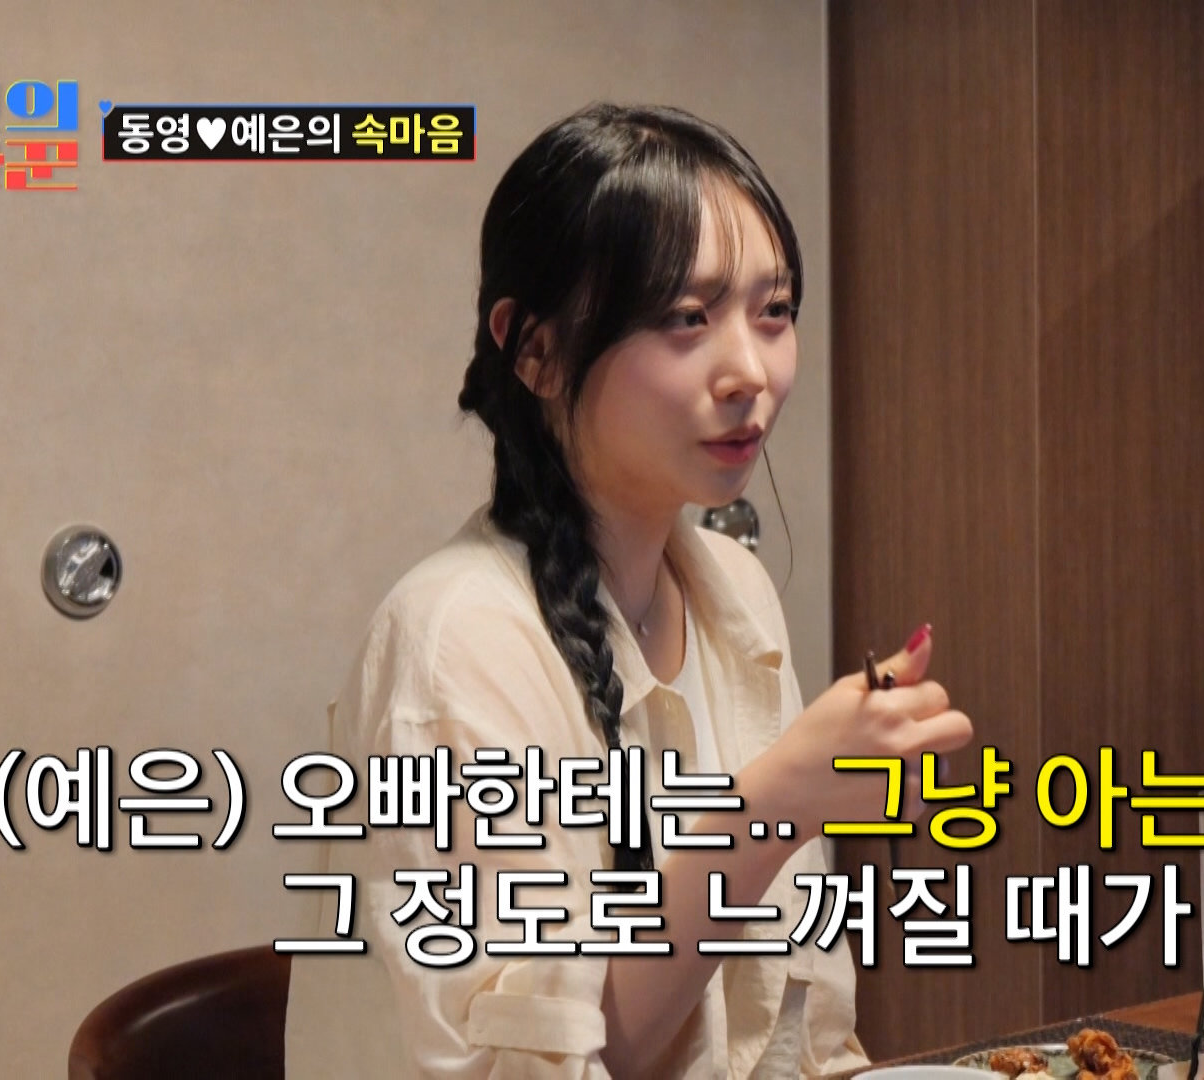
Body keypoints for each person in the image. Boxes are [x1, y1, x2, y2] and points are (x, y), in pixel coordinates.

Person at [284, 102, 973, 1078]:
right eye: (687, 318)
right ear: (536, 349)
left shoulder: (731, 586)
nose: (751, 372)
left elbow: (791, 1038)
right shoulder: (455, 645)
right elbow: (560, 1062)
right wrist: (774, 805)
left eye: (773, 312)